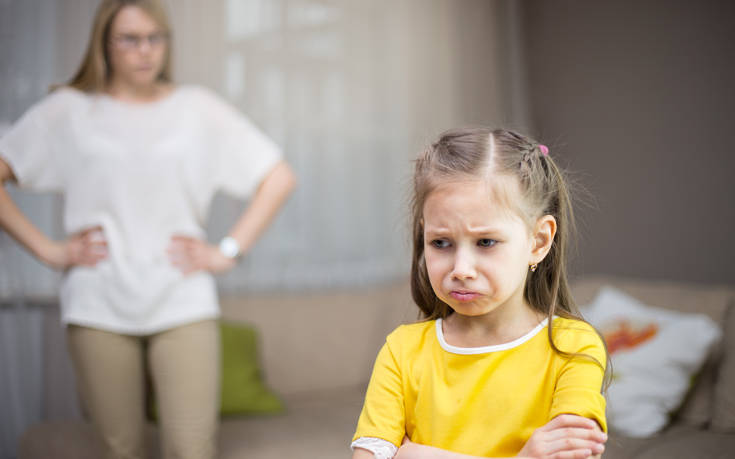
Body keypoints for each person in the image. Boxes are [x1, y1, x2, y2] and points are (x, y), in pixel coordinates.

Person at [0, 1, 295, 458]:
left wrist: (227, 251)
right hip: (97, 302)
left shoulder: (197, 108)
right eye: (130, 39)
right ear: (105, 44)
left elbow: (278, 176)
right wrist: (49, 251)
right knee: (121, 449)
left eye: (155, 38)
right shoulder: (70, 111)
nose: (145, 51)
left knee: (191, 448)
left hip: (182, 298)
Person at [351, 127, 609, 459]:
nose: (461, 269)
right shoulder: (402, 351)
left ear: (539, 241)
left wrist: (411, 454)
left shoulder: (574, 346)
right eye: (440, 243)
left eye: (486, 242)